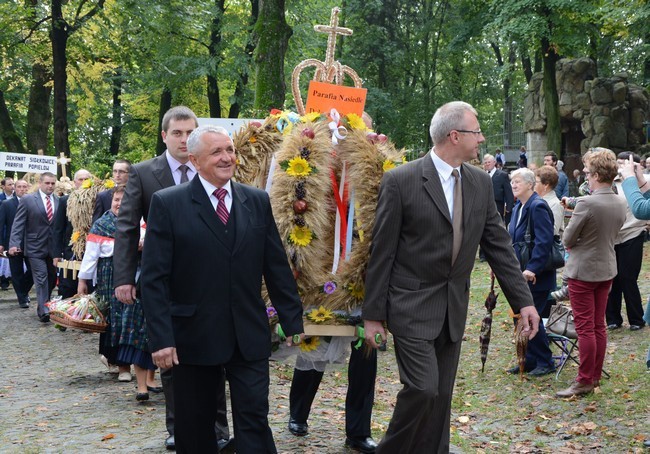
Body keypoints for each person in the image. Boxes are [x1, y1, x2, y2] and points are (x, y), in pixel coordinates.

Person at [362, 101, 539, 453]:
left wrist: (524, 302)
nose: (482, 139)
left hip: (453, 308)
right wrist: (372, 315)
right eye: (476, 132)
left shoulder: (479, 183)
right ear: (454, 135)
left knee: (441, 398)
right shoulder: (402, 180)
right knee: (422, 389)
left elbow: (500, 247)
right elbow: (381, 252)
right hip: (410, 305)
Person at [140, 124, 304, 453]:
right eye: (217, 152)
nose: (227, 157)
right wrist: (161, 338)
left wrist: (291, 318)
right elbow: (154, 278)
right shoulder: (169, 204)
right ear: (195, 159)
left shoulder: (256, 201)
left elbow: (274, 265)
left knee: (254, 417)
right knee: (196, 424)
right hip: (192, 336)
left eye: (229, 150)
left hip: (248, 334)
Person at [113, 106, 231, 451]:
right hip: (164, 277)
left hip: (208, 278)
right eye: (176, 133)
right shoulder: (146, 173)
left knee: (216, 352)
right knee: (170, 353)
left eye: (189, 132)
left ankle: (218, 427)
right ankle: (177, 426)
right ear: (164, 136)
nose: (183, 139)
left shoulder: (210, 166)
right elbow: (126, 225)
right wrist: (125, 276)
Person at [288, 112, 378, 454]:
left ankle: (358, 431)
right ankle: (298, 413)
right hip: (324, 272)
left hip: (363, 274)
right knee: (314, 341)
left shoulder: (375, 170)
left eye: (357, 131)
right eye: (340, 132)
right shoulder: (317, 172)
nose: (346, 139)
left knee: (365, 352)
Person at [556, 149, 626, 398]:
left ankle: (585, 380)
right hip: (606, 267)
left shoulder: (587, 202)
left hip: (583, 271)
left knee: (586, 328)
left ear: (596, 174)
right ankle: (593, 377)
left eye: (587, 172)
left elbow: (567, 238)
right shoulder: (620, 200)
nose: (585, 176)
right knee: (598, 326)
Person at [78, 185, 158, 396]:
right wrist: (83, 280)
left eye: (124, 200)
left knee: (134, 322)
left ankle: (146, 375)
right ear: (110, 202)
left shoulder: (141, 223)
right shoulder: (102, 224)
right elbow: (91, 255)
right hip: (110, 277)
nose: (120, 204)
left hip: (138, 276)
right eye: (116, 200)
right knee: (115, 322)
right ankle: (122, 366)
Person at [507, 168, 556, 376]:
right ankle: (529, 359)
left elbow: (544, 242)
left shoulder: (537, 206)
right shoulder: (519, 206)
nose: (513, 185)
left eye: (517, 181)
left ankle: (545, 360)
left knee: (531, 316)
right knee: (520, 315)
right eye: (512, 182)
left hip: (536, 276)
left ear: (530, 184)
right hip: (520, 272)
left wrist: (532, 269)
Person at [604, 152, 647, 331]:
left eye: (624, 164)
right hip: (612, 237)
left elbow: (642, 207)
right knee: (611, 277)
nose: (620, 167)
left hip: (632, 233)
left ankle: (636, 319)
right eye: (618, 163)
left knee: (628, 278)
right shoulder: (609, 183)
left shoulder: (636, 183)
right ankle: (613, 318)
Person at [8, 172, 59, 322]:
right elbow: (18, 223)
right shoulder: (28, 200)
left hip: (53, 248)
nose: (50, 186)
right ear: (40, 183)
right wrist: (14, 244)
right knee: (41, 277)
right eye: (47, 183)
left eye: (52, 183)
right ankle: (44, 310)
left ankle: (43, 304)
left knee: (51, 278)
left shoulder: (58, 200)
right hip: (34, 247)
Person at [53, 169, 92, 299]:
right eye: (80, 179)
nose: (83, 182)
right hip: (71, 250)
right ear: (75, 182)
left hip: (91, 249)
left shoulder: (98, 198)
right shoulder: (65, 200)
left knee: (90, 286)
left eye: (86, 179)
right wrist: (56, 253)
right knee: (68, 286)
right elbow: (58, 228)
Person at [0, 180, 33, 308]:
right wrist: (1, 243)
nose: (22, 189)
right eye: (19, 187)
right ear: (15, 188)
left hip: (31, 243)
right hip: (13, 243)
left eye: (25, 187)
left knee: (33, 270)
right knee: (16, 271)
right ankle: (22, 299)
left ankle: (23, 290)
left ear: (28, 188)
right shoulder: (6, 204)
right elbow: (1, 224)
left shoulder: (33, 202)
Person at [93, 159, 131, 223]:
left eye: (121, 171)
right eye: (115, 171)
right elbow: (96, 225)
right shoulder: (103, 197)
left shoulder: (137, 194)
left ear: (130, 173)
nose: (117, 175)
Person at [483, 153, 514, 224]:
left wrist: (509, 207)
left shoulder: (502, 175)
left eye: (489, 162)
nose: (487, 164)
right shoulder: (482, 174)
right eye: (485, 163)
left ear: (494, 162)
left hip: (498, 205)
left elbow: (508, 192)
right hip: (485, 206)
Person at [535, 166, 564, 237]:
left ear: (546, 185)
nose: (533, 185)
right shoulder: (536, 200)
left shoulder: (555, 204)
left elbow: (553, 231)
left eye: (536, 182)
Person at [0, 177, 15, 289]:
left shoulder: (17, 198)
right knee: (3, 256)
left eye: (13, 184)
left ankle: (13, 278)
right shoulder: (1, 199)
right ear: (3, 186)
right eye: (9, 184)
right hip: (3, 230)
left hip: (13, 230)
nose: (12, 187)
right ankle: (4, 279)